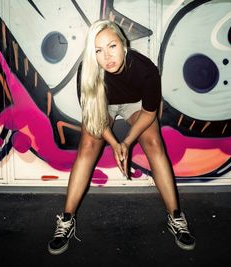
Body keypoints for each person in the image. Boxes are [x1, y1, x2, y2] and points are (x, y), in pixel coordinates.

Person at [48, 19, 195, 255]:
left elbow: (149, 113)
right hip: (102, 106)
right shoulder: (87, 73)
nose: (107, 56)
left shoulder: (144, 69)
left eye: (112, 46)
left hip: (136, 105)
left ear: (123, 43)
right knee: (87, 146)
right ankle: (66, 220)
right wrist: (115, 144)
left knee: (154, 143)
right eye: (99, 50)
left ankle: (176, 216)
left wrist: (127, 142)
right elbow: (94, 116)